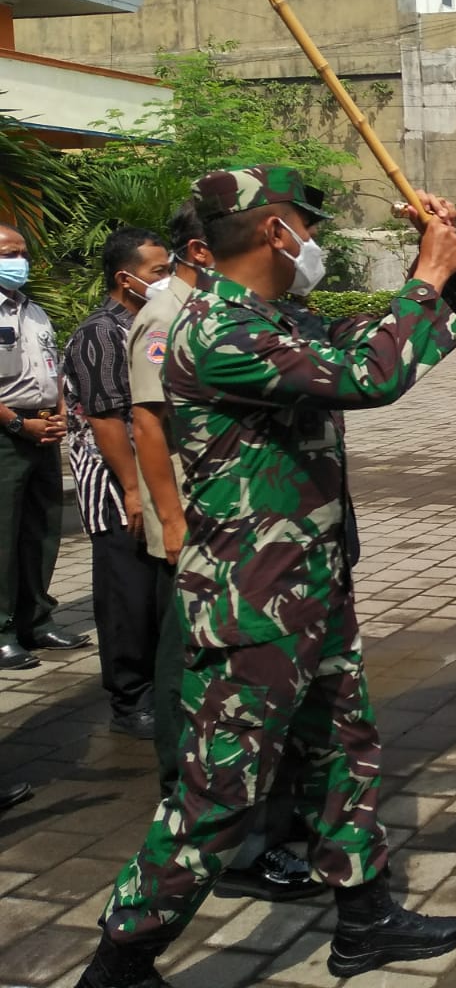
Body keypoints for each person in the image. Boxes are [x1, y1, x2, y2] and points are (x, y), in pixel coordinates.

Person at [75, 166, 456, 988]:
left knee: (341, 750)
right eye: (306, 225)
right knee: (219, 790)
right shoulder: (219, 329)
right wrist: (428, 276)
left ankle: (364, 921)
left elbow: (367, 349)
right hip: (251, 600)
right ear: (272, 230)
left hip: (305, 583)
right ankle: (121, 961)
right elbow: (371, 378)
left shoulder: (265, 317)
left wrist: (437, 269)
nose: (314, 242)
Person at [126, 200, 319, 902]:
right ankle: (209, 821)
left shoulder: (237, 312)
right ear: (200, 250)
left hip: (246, 521)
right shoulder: (168, 316)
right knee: (201, 673)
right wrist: (168, 519)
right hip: (209, 525)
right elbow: (146, 423)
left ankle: (261, 819)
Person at [63, 227, 171, 739]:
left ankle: (160, 685)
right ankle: (130, 699)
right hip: (115, 485)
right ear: (124, 277)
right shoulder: (102, 333)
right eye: (157, 272)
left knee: (155, 592)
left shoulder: (147, 321)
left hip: (152, 479)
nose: (165, 279)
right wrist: (131, 489)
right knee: (126, 594)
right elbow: (107, 420)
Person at [1, 223, 87, 671]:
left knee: (41, 530)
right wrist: (18, 423)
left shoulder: (34, 311)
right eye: (6, 253)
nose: (17, 261)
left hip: (43, 429)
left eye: (21, 252)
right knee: (3, 536)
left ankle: (36, 618)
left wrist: (57, 417)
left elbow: (51, 370)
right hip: (6, 432)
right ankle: (2, 630)